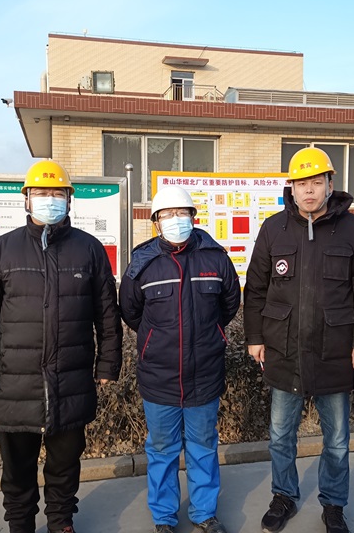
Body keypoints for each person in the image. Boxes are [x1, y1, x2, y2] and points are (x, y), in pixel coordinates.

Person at [0, 160, 123, 533]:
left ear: (69, 199)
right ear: (26, 200)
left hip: (71, 383)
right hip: (15, 386)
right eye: (41, 192)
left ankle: (61, 521)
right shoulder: (3, 250)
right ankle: (20, 524)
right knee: (17, 470)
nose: (49, 199)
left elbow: (107, 315)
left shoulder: (89, 249)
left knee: (65, 466)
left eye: (57, 193)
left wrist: (107, 365)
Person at [244, 146, 354, 533]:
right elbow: (255, 289)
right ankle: (284, 496)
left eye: (316, 182)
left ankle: (333, 504)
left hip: (333, 352)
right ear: (291, 188)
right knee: (280, 436)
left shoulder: (353, 229)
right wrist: (254, 336)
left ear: (329, 185)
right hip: (283, 350)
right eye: (301, 183)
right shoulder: (273, 228)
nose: (308, 190)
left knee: (336, 440)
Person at [119, 185, 241, 533]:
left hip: (205, 374)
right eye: (167, 215)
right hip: (160, 377)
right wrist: (155, 338)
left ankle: (204, 513)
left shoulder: (216, 258)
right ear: (156, 221)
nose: (175, 220)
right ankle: (164, 518)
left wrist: (209, 332)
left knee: (203, 447)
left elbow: (229, 304)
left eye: (181, 213)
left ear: (193, 217)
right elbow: (130, 311)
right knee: (162, 450)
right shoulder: (143, 263)